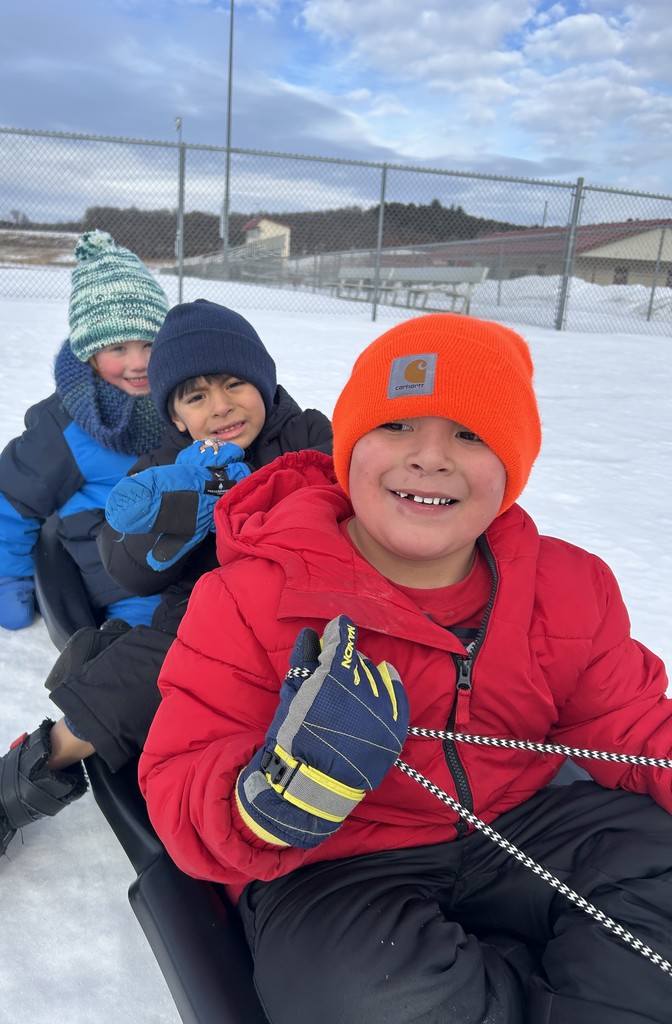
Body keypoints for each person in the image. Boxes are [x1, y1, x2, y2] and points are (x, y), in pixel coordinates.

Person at [138, 312, 672, 1024]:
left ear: (511, 469)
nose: (430, 457)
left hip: (526, 821)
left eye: (470, 434)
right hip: (340, 865)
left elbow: (630, 722)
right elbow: (178, 776)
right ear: (349, 447)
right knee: (366, 994)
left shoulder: (567, 586)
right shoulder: (248, 598)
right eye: (396, 427)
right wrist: (266, 799)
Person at [0, 298, 332, 917]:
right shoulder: (168, 464)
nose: (219, 406)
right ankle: (4, 790)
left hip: (317, 610)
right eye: (195, 397)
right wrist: (190, 500)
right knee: (159, 666)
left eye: (234, 384)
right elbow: (125, 560)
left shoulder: (309, 436)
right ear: (177, 417)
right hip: (214, 614)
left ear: (262, 382)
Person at [0, 228, 169, 631]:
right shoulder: (64, 427)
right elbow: (11, 497)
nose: (138, 362)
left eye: (149, 345)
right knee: (152, 633)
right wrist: (9, 578)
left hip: (180, 541)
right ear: (89, 353)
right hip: (114, 561)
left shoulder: (181, 400)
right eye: (119, 349)